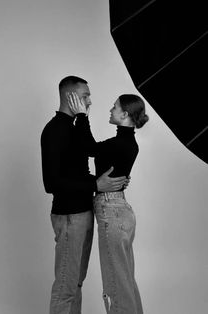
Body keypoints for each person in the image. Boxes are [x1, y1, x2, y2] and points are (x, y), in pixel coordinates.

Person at [40, 76, 129, 314]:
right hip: (69, 216)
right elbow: (51, 183)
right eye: (85, 96)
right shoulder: (55, 130)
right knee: (65, 287)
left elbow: (90, 155)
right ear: (69, 96)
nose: (90, 101)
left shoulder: (74, 128)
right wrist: (96, 184)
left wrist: (115, 178)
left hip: (83, 211)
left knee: (75, 284)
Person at [67, 91, 149, 314]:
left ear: (124, 114)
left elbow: (89, 148)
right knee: (125, 282)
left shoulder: (121, 143)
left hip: (111, 211)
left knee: (117, 284)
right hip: (120, 209)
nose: (110, 110)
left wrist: (82, 116)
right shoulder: (127, 142)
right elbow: (103, 156)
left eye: (114, 107)